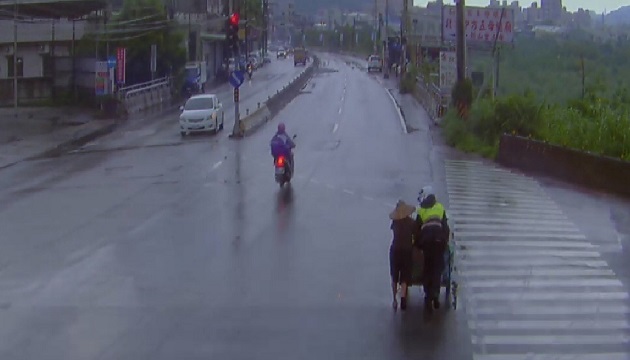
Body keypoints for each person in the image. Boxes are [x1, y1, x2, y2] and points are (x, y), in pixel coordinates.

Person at [414, 186, 450, 312]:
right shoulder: (440, 207)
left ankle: (428, 295)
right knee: (437, 268)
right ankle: (435, 294)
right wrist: (445, 241)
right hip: (439, 241)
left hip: (427, 242)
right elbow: (445, 227)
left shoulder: (421, 210)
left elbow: (416, 230)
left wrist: (417, 244)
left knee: (427, 268)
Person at [389, 200, 417, 311]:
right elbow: (416, 235)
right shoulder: (411, 222)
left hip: (395, 250)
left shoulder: (395, 223)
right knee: (404, 276)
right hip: (407, 250)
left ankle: (394, 299)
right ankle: (403, 297)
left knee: (394, 276)